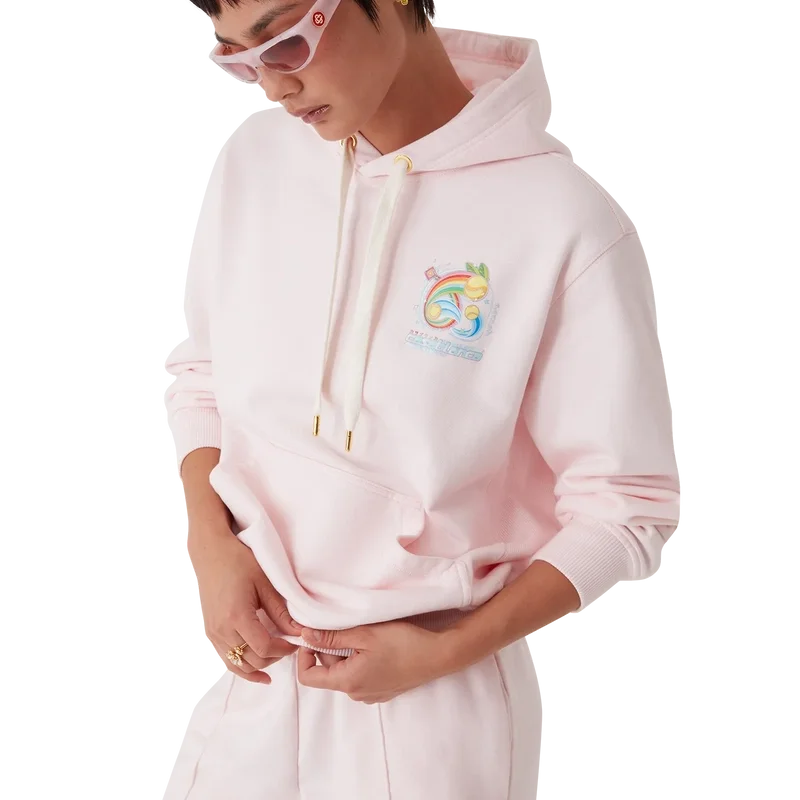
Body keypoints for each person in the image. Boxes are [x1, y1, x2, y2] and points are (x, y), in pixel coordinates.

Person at [162, 1, 682, 798]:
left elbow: (627, 506)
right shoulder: (252, 158)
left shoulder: (559, 217)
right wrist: (209, 547)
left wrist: (446, 652)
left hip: (429, 708)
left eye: (286, 43)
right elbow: (203, 373)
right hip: (253, 680)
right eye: (237, 58)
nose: (273, 86)